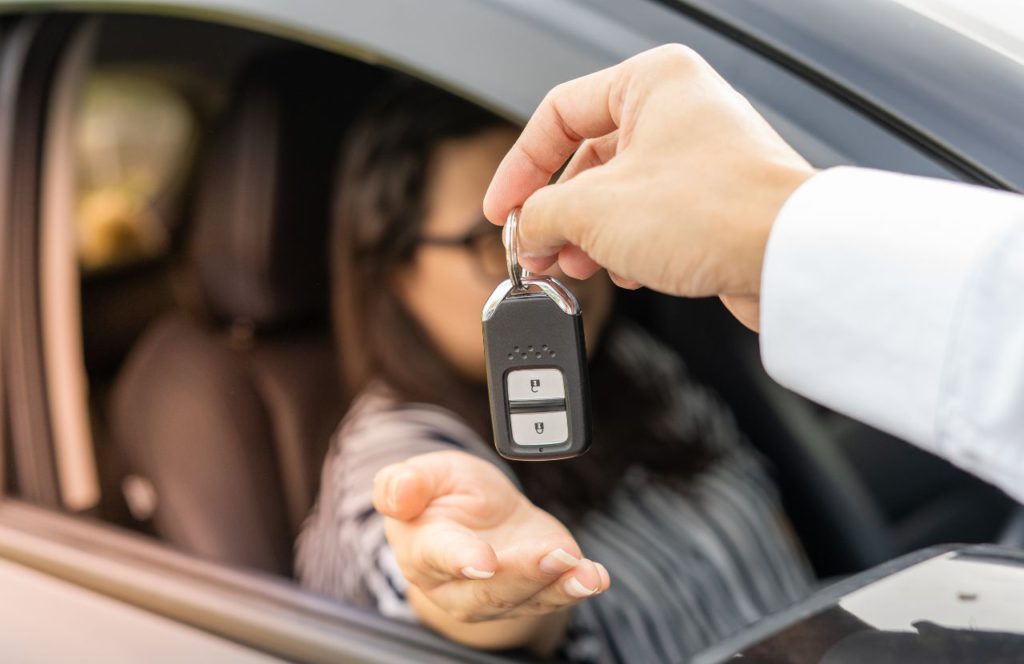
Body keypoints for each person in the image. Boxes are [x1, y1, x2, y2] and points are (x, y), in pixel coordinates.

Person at [297, 79, 813, 662]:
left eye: (559, 219)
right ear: (394, 269)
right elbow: (451, 590)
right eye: (498, 239)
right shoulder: (394, 451)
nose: (547, 267)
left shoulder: (629, 361)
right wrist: (492, 582)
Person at [481, 44, 1024, 506]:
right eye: (477, 240)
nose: (576, 260)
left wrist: (771, 233)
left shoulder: (651, 369)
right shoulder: (415, 442)